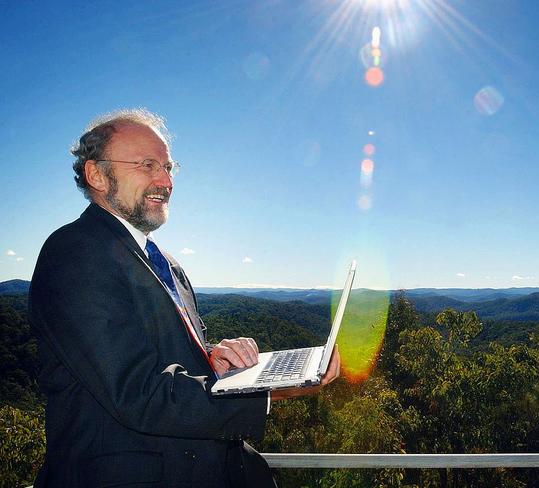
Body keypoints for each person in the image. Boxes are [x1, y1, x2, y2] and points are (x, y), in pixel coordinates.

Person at [28, 108, 340, 487]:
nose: (165, 180)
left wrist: (216, 360)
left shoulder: (166, 264)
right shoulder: (75, 252)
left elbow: (168, 359)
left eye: (169, 166)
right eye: (147, 165)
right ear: (96, 174)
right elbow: (137, 392)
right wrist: (275, 387)